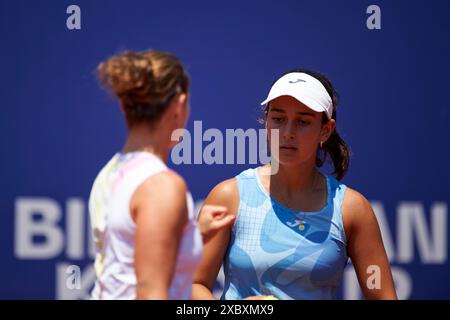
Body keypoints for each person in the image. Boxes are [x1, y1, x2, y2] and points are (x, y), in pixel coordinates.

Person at [192, 69, 397, 300]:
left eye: (303, 122)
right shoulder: (229, 196)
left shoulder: (352, 209)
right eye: (278, 119)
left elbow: (382, 295)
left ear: (325, 130)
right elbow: (193, 284)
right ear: (266, 122)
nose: (288, 133)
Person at [88, 50, 235, 300]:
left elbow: (130, 253)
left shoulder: (111, 171)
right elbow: (150, 293)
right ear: (179, 106)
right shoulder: (162, 187)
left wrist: (191, 233)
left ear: (124, 105)